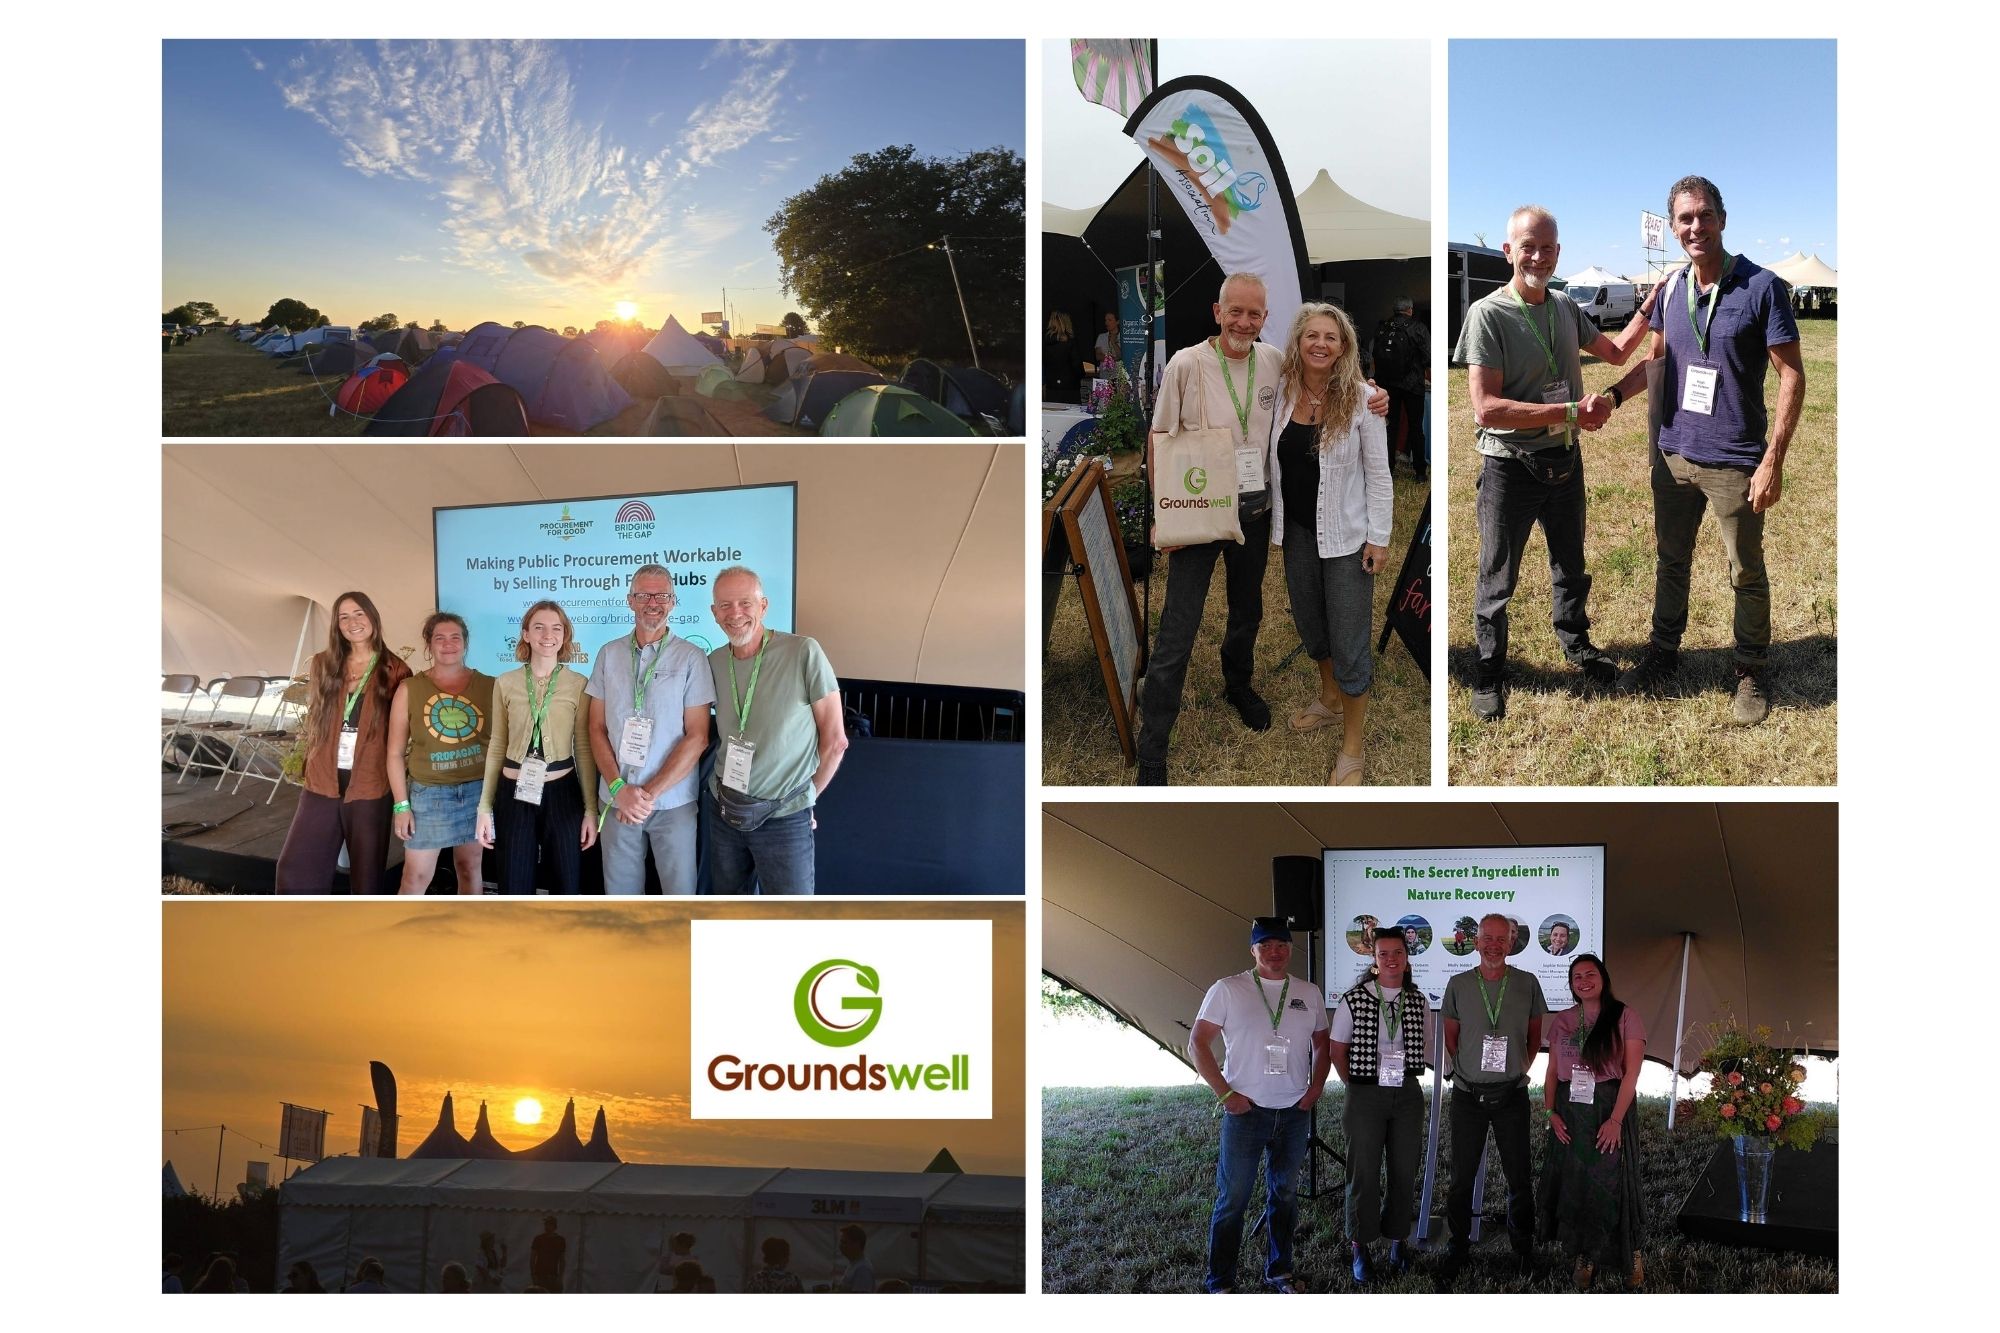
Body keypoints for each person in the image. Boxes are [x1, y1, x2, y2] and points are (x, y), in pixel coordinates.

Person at [1137, 275, 1388, 786]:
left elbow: (1341, 394)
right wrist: (1164, 515)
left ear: (1266, 320)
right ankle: (1153, 746)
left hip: (1252, 514)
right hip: (1198, 510)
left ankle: (1239, 686)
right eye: (1236, 312)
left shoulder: (1276, 363)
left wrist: (1375, 396)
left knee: (1246, 611)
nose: (1244, 323)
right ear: (1217, 311)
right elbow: (1159, 439)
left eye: (1254, 315)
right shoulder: (1186, 364)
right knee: (1177, 629)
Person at [1602, 176, 1805, 726]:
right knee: (1671, 561)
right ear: (1673, 228)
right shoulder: (1671, 291)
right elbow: (1655, 360)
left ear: (1722, 218)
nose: (1695, 227)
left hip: (1736, 460)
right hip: (1673, 454)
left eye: (1704, 215)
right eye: (1684, 219)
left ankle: (1751, 669)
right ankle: (1663, 655)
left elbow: (1792, 376)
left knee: (1745, 570)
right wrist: (1616, 394)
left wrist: (1772, 461)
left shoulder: (1763, 287)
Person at [1456, 206, 1659, 722]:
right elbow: (1487, 407)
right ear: (1508, 251)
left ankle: (1576, 644)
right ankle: (1489, 668)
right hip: (1510, 465)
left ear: (1558, 253)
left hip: (1565, 459)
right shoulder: (1487, 314)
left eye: (1547, 247)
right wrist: (1572, 410)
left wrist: (1649, 311)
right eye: (1528, 246)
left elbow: (1614, 354)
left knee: (1570, 564)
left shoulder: (1566, 307)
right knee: (1497, 576)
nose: (1538, 256)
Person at [1269, 302, 1392, 788]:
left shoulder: (1364, 400)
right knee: (1310, 624)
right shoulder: (1281, 394)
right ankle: (1329, 697)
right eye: (1311, 336)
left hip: (1346, 538)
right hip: (1297, 533)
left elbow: (1381, 477)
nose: (1321, 344)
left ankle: (1352, 747)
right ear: (1298, 343)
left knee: (1348, 638)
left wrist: (1379, 539)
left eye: (1331, 338)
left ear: (1344, 348)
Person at [1188, 917, 1331, 1293]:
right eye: (1265, 945)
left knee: (1284, 1195)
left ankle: (1279, 1270)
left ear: (1290, 948)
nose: (1275, 952)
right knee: (1233, 1199)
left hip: (1294, 1112)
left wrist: (1316, 1087)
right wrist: (1224, 1094)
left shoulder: (1308, 992)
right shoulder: (1228, 989)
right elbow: (1198, 1043)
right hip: (1246, 1113)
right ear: (1253, 950)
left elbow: (1322, 1043)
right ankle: (1220, 1281)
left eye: (1281, 944)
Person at [705, 567, 847, 894]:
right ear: (714, 613)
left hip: (784, 816)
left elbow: (835, 740)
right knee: (730, 915)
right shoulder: (712, 662)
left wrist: (808, 798)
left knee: (789, 921)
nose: (735, 613)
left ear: (764, 606)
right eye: (724, 605)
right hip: (724, 810)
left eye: (745, 603)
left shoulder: (803, 652)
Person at [275, 591, 412, 893]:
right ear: (337, 625)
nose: (353, 622)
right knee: (295, 866)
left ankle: (361, 933)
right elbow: (316, 717)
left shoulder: (395, 670)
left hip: (370, 783)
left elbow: (401, 733)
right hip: (323, 779)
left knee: (366, 873)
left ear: (373, 617)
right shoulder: (324, 664)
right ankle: (295, 930)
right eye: (344, 617)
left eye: (359, 613)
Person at [588, 567, 713, 895]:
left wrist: (646, 796)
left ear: (673, 602)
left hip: (672, 804)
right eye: (643, 595)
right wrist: (620, 789)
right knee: (621, 899)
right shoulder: (607, 654)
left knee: (679, 896)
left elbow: (698, 736)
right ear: (630, 601)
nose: (652, 603)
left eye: (661, 595)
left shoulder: (692, 658)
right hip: (616, 800)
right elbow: (596, 727)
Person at [1440, 912, 1550, 1279]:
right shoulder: (1457, 984)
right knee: (1461, 1177)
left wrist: (1517, 1069)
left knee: (1518, 1174)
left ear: (1511, 943)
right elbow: (1451, 1038)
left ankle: (1523, 1248)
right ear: (1476, 941)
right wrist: (1472, 1071)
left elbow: (1534, 1038)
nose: (1493, 945)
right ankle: (1457, 1246)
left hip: (1513, 1094)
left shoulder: (1528, 983)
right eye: (1487, 938)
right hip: (1467, 1095)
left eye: (1501, 939)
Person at [1539, 953, 1647, 1290]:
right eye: (1576, 977)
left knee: (1615, 1182)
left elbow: (1631, 1075)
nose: (1583, 981)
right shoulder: (1563, 1020)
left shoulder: (1624, 1015)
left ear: (1603, 977)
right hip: (1571, 1111)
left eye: (1590, 974)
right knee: (1577, 1183)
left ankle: (1631, 1254)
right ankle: (1584, 1254)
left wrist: (1615, 1120)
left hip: (1609, 1108)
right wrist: (1549, 1113)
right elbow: (1553, 1071)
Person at [1329, 929, 1429, 1285]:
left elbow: (1422, 1045)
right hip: (1365, 1095)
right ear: (1374, 959)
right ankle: (1361, 1244)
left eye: (1397, 953)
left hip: (1407, 1093)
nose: (1391, 959)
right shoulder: (1354, 999)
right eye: (1384, 953)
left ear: (1406, 956)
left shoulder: (1417, 1000)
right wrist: (1355, 1086)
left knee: (1404, 1170)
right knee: (1364, 1172)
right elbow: (1337, 1049)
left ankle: (1398, 1239)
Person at [476, 602, 598, 894]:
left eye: (556, 628)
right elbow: (497, 746)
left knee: (567, 882)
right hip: (513, 793)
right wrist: (484, 808)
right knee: (514, 882)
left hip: (563, 794)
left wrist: (590, 809)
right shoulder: (505, 683)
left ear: (565, 635)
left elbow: (583, 747)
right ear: (526, 634)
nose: (548, 634)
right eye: (539, 627)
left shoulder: (579, 684)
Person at [386, 611, 493, 895]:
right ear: (429, 644)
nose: (448, 644)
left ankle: (467, 935)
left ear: (465, 643)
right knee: (415, 877)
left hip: (477, 793)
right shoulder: (409, 689)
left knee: (470, 868)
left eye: (455, 637)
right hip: (428, 796)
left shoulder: (490, 686)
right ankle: (402, 937)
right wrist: (401, 806)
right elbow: (395, 753)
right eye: (440, 638)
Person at [1371, 297, 1431, 479]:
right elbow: (1428, 357)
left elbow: (1375, 355)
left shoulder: (1383, 327)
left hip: (1387, 385)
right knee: (1415, 427)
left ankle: (1389, 468)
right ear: (1410, 310)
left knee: (1389, 427)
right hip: (1413, 386)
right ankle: (1420, 472)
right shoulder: (1418, 327)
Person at [1044, 310, 1085, 402]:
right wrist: (1081, 374)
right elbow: (1076, 363)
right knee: (1071, 413)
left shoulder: (1045, 341)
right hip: (1070, 386)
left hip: (1051, 385)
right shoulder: (1070, 342)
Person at [529, 1216, 566, 1293]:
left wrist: (560, 1277)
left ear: (554, 1226)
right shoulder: (538, 1239)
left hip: (553, 1276)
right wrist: (533, 1275)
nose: (547, 1227)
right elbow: (532, 1258)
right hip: (540, 1276)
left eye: (549, 1224)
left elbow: (562, 1260)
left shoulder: (560, 1240)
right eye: (546, 1224)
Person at [835, 1224, 876, 1292]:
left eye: (844, 1242)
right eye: (841, 1242)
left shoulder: (862, 1269)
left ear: (856, 1244)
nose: (840, 1246)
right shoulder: (854, 1264)